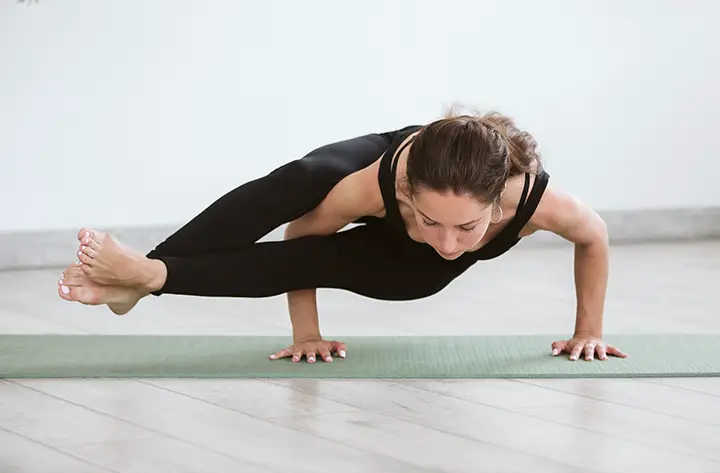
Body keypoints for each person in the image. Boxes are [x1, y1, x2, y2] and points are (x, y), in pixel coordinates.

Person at [57, 110, 628, 364]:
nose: (452, 244)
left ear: (499, 206)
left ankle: (144, 278)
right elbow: (300, 236)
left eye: (468, 228)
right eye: (431, 221)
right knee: (303, 180)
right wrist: (309, 333)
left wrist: (589, 331)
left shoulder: (538, 202)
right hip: (385, 168)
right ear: (406, 195)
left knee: (410, 272)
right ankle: (145, 274)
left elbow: (594, 238)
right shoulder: (376, 186)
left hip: (405, 266)